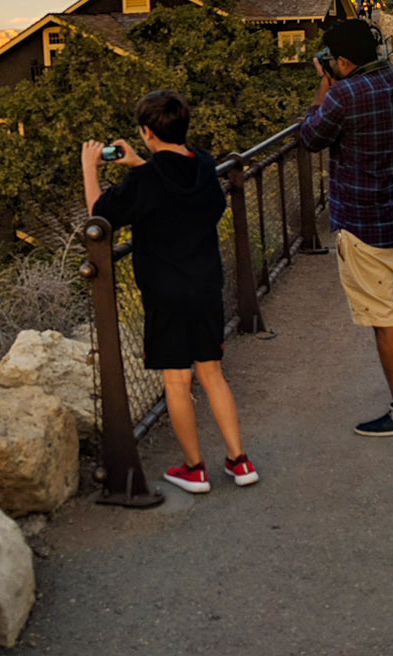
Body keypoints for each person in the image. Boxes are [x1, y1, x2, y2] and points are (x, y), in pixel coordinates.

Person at [83, 90, 258, 493]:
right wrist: (142, 162)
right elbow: (189, 194)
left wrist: (90, 168)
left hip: (165, 291)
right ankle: (239, 460)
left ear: (146, 132)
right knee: (213, 373)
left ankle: (194, 469)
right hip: (206, 284)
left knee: (177, 381)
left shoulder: (145, 180)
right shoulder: (205, 165)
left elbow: (100, 217)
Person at [297, 17, 393, 437]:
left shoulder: (344, 95)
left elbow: (310, 137)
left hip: (365, 227)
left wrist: (323, 87)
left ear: (342, 61)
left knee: (385, 319)